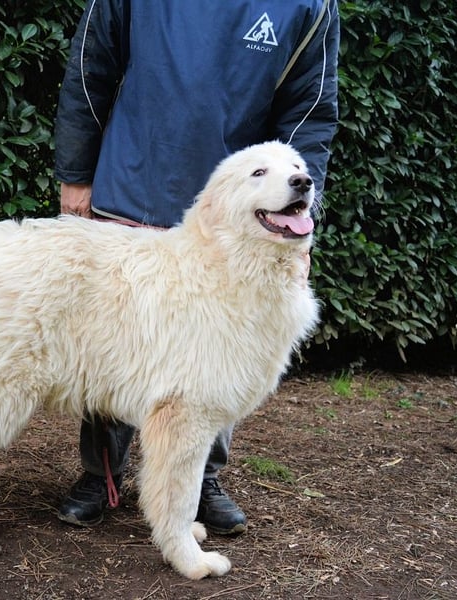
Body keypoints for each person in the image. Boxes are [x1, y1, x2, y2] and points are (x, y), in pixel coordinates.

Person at [52, 0, 340, 535]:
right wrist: (75, 172)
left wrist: (298, 209)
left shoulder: (308, 5)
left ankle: (201, 478)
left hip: (235, 213)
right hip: (130, 188)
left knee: (223, 352)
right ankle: (102, 475)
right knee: (111, 343)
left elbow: (308, 110)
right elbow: (91, 70)